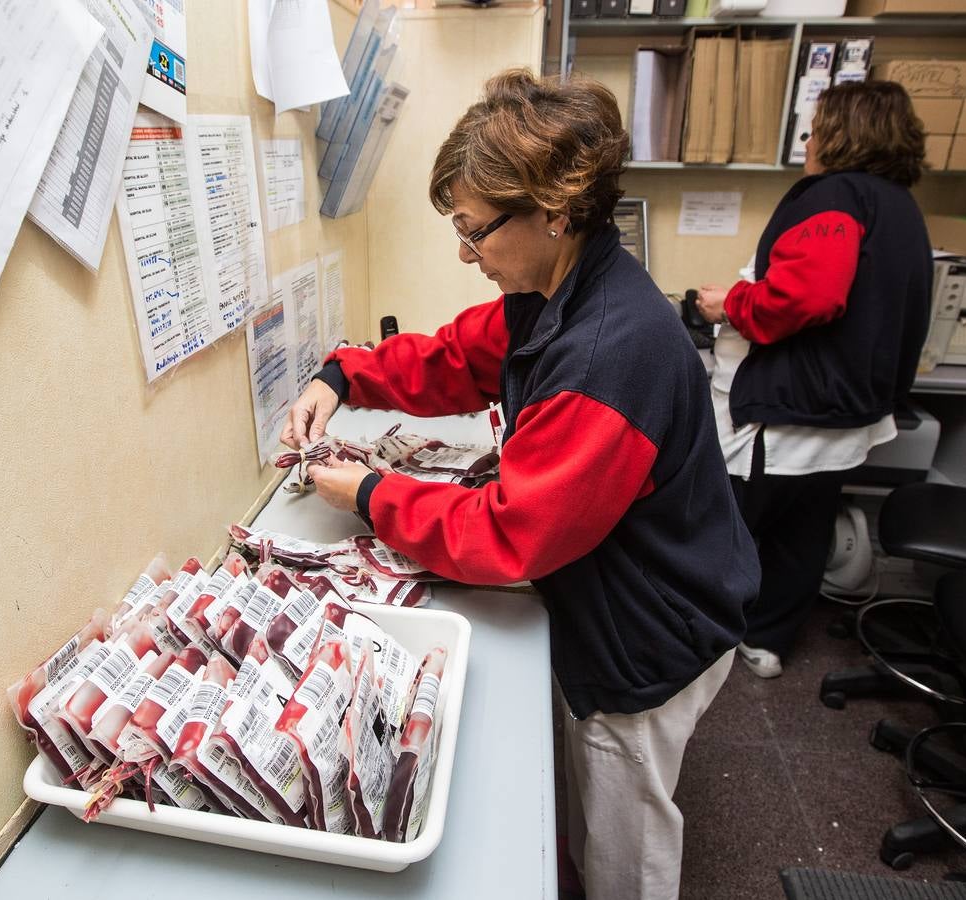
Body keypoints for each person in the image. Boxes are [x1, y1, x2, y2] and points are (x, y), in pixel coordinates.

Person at [281, 70, 759, 900]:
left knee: (624, 836)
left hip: (648, 633)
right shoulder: (556, 292)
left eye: (474, 232)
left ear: (554, 208)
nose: (465, 255)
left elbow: (508, 534)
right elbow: (456, 358)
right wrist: (342, 376)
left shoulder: (609, 351)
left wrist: (365, 494)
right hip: (630, 586)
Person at [694, 80, 933, 679]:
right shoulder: (899, 205)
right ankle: (769, 642)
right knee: (804, 534)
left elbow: (812, 293)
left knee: (732, 528)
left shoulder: (832, 195)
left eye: (815, 127)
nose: (807, 141)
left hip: (789, 414)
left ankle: (706, 638)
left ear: (840, 133)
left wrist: (732, 304)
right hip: (846, 414)